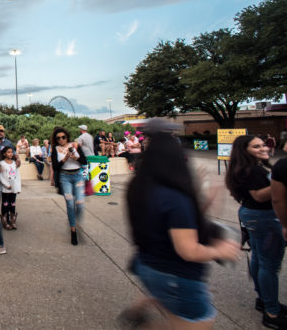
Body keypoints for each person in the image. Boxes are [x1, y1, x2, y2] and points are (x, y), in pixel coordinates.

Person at [123, 121, 240, 329]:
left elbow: (172, 223)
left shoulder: (138, 187)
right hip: (175, 275)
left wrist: (206, 200)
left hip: (147, 265)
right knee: (201, 323)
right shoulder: (175, 198)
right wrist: (220, 250)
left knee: (176, 317)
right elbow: (188, 250)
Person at [226, 135, 287, 328]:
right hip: (263, 217)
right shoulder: (251, 169)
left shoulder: (254, 167)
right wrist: (280, 184)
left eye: (263, 145)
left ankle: (264, 300)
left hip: (255, 216)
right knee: (269, 264)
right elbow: (259, 196)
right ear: (244, 150)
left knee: (260, 259)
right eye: (256, 146)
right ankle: (272, 313)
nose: (264, 149)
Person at [51, 127, 85, 246]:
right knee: (70, 204)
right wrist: (65, 158)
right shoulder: (55, 149)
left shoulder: (75, 145)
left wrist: (75, 157)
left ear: (67, 136)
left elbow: (84, 161)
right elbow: (55, 167)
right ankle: (73, 230)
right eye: (58, 138)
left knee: (80, 204)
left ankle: (75, 222)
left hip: (78, 176)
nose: (61, 140)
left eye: (63, 137)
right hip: (65, 178)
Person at [0, 146, 21, 230]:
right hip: (5, 188)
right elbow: (0, 175)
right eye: (8, 152)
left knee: (12, 203)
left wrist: (18, 187)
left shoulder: (15, 163)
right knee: (5, 203)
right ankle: (5, 219)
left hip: (14, 187)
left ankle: (12, 219)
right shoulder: (1, 163)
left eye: (11, 152)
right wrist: (6, 184)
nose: (10, 154)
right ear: (4, 153)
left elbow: (17, 175)